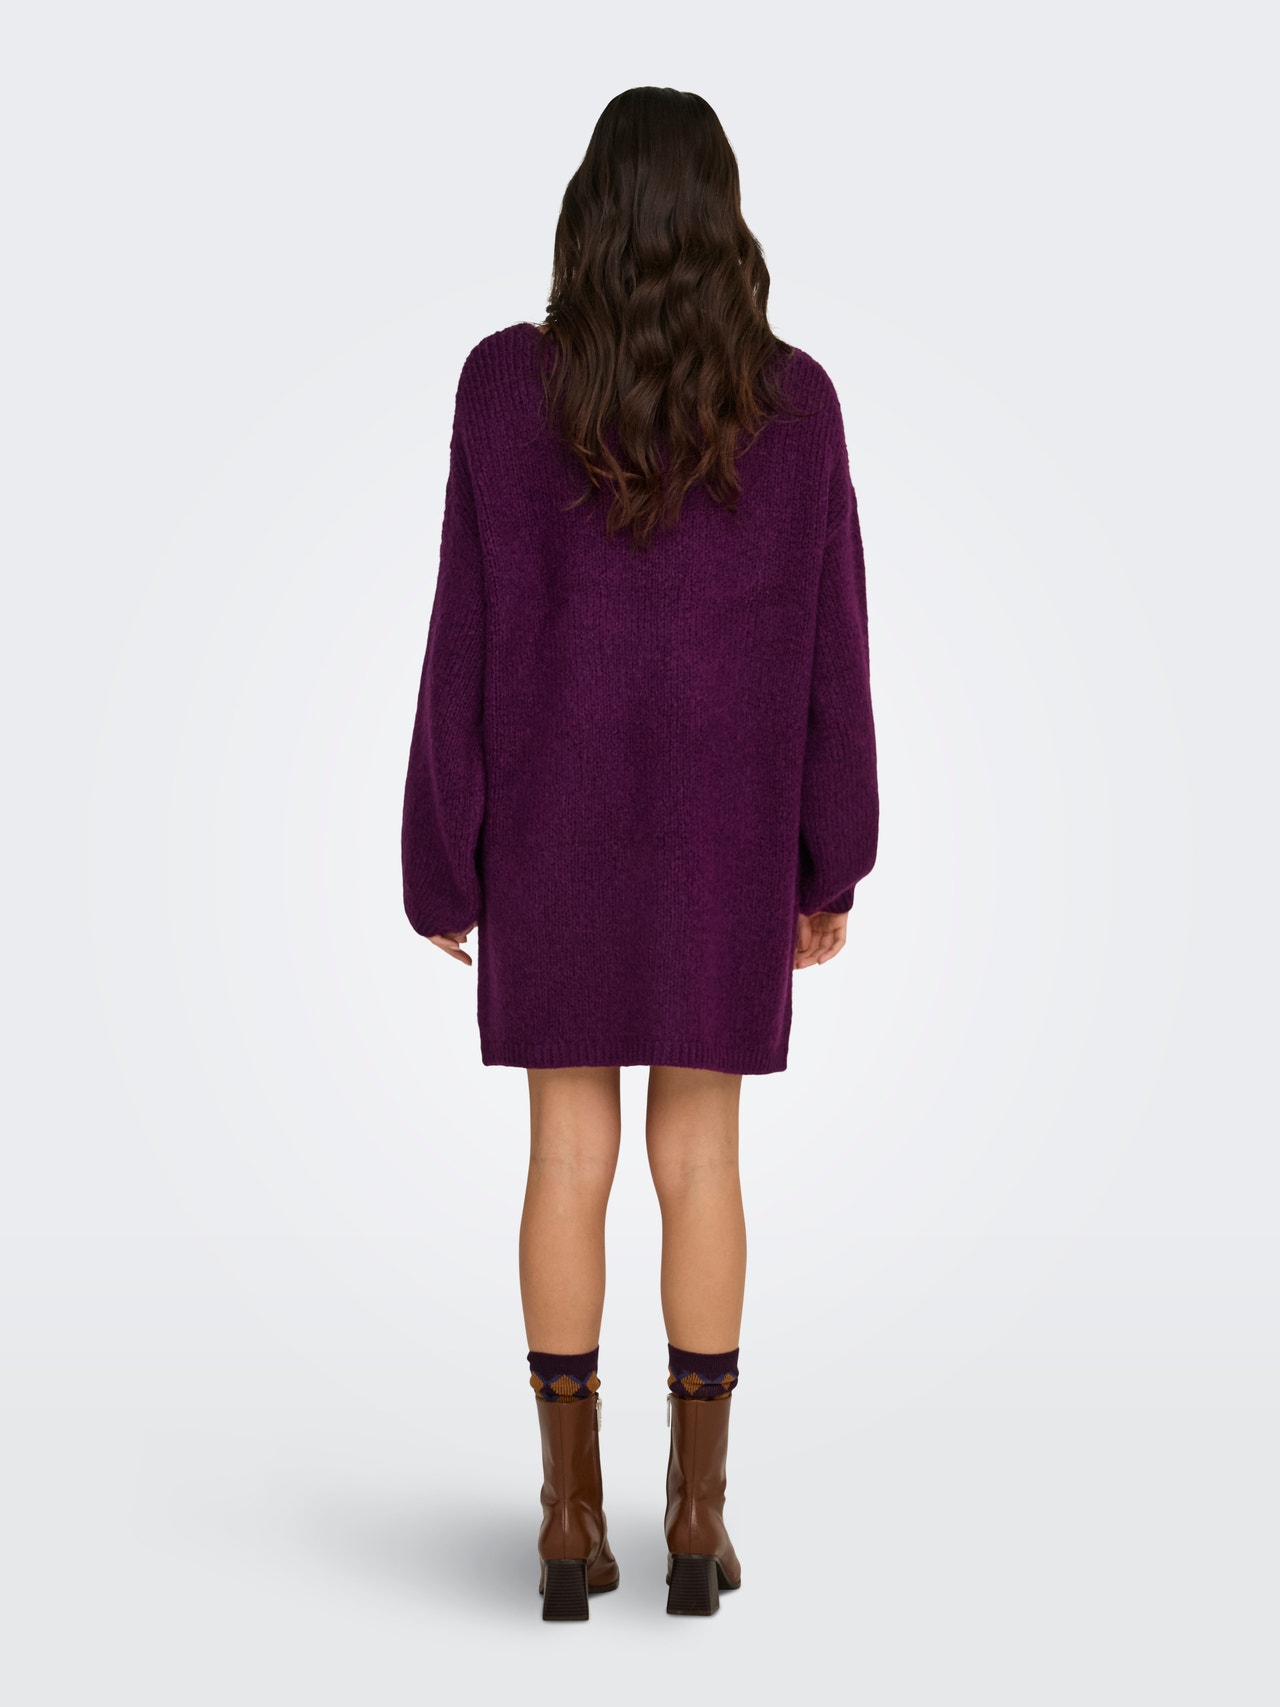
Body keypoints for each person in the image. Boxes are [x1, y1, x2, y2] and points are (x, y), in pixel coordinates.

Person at [400, 86, 879, 1620]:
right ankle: (694, 1521)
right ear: (727, 225)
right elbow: (836, 653)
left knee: (565, 1159)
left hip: (556, 833)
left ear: (586, 218)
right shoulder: (795, 406)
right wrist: (830, 860)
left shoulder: (504, 387)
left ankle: (565, 1523)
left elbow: (463, 637)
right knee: (702, 1160)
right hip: (721, 844)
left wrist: (444, 856)